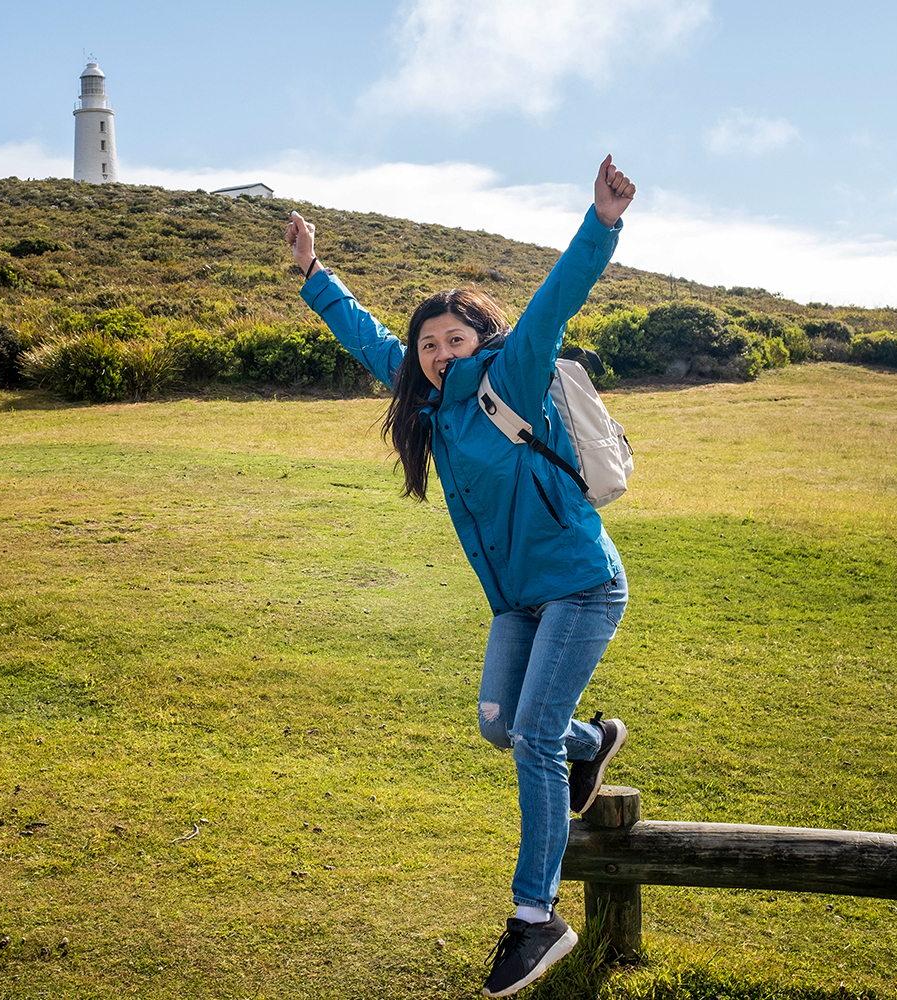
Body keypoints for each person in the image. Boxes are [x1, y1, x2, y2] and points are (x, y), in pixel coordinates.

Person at [283, 156, 637, 997]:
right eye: (429, 343)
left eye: (455, 338)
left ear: (482, 338)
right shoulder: (430, 403)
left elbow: (553, 302)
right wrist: (314, 274)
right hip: (516, 601)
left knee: (533, 738)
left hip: (581, 583)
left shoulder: (509, 376)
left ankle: (534, 917)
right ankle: (597, 743)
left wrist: (601, 223)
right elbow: (368, 337)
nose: (440, 351)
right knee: (497, 724)